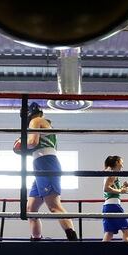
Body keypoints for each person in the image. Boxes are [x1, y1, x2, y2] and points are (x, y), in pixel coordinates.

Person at [20, 103, 79, 241]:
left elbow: (32, 142)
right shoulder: (47, 124)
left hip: (45, 164)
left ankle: (73, 239)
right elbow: (39, 147)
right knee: (31, 208)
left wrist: (20, 143)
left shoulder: (35, 121)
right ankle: (36, 238)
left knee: (54, 206)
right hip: (43, 164)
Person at [102, 155, 128, 242]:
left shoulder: (110, 173)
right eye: (122, 163)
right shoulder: (113, 173)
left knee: (109, 233)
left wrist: (122, 188)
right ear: (117, 162)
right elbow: (106, 188)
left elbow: (110, 189)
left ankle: (100, 254)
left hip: (108, 206)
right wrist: (120, 191)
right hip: (113, 206)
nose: (122, 165)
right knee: (127, 232)